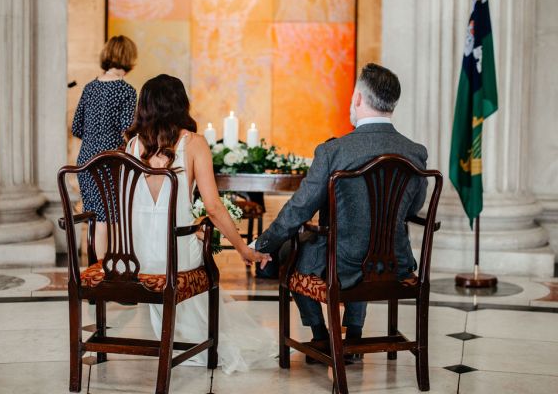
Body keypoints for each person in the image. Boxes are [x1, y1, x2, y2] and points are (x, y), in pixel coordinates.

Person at [254, 63, 428, 363]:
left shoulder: (334, 152)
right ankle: (355, 335)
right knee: (364, 241)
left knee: (288, 253)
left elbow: (299, 209)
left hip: (342, 265)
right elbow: (414, 207)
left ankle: (322, 337)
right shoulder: (415, 152)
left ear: (358, 98)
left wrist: (262, 245)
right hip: (396, 264)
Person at [124, 74, 275, 374]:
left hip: (136, 257)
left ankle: (184, 336)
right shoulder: (192, 143)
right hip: (175, 258)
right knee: (200, 246)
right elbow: (214, 207)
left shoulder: (131, 146)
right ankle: (201, 340)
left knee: (189, 237)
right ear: (180, 104)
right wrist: (243, 248)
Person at [72, 35, 138, 260]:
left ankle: (98, 270)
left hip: (87, 159)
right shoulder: (126, 90)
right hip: (111, 160)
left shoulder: (90, 87)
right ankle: (107, 274)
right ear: (129, 58)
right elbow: (128, 129)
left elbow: (77, 127)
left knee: (96, 217)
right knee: (111, 219)